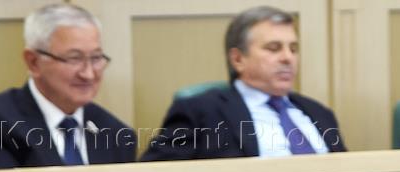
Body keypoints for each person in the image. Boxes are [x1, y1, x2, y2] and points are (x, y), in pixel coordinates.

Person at [143, 5, 345, 161]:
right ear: (238, 59)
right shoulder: (201, 112)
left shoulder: (320, 113)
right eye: (274, 48)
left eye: (293, 49)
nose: (288, 58)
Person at [0, 4, 135, 171]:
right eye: (74, 58)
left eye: (96, 58)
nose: (88, 74)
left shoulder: (117, 134)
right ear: (33, 62)